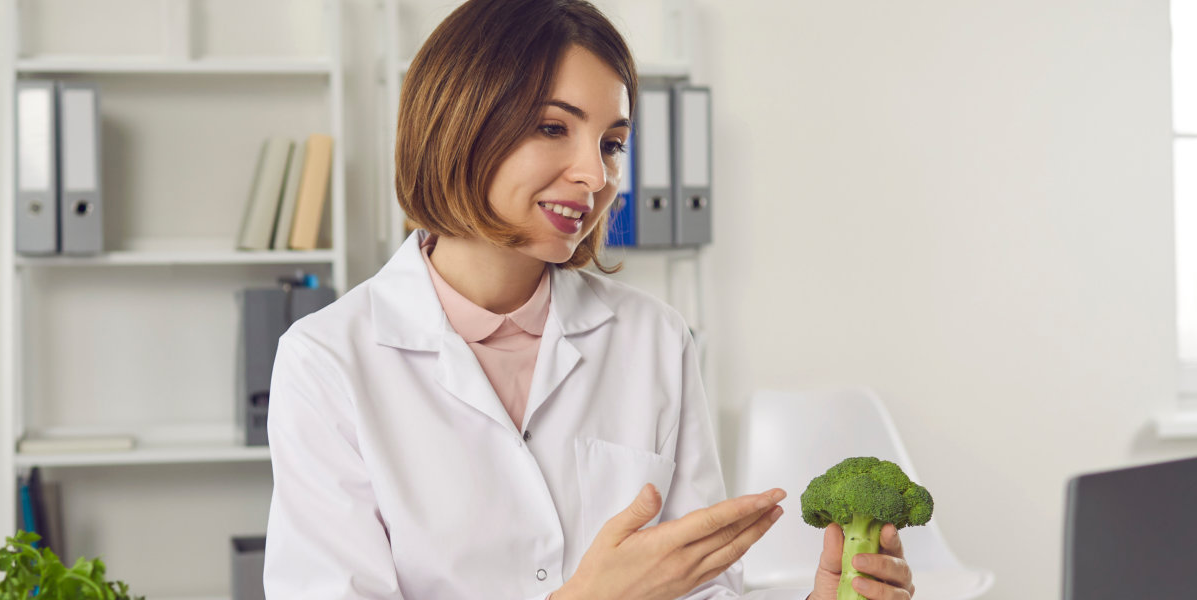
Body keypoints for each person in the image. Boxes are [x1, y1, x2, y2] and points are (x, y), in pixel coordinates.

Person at [263, 1, 916, 598]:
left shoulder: (655, 338)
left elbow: (700, 590)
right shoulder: (326, 362)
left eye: (611, 144)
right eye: (552, 128)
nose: (595, 175)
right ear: (457, 125)